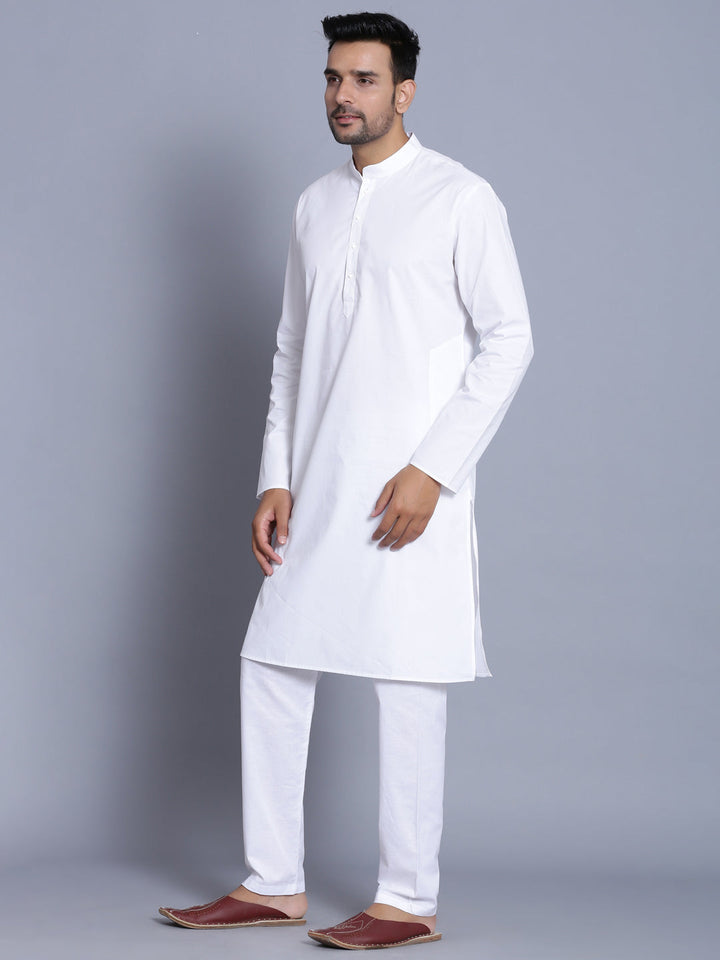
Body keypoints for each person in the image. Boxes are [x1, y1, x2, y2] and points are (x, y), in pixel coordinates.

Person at [158, 11, 534, 950]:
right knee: (272, 663)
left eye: (364, 80)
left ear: (405, 91)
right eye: (333, 77)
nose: (342, 96)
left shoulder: (460, 198)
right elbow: (292, 351)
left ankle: (407, 900)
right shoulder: (315, 205)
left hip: (410, 493)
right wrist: (275, 477)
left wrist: (433, 470)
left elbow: (510, 340)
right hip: (319, 482)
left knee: (407, 682)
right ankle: (273, 882)